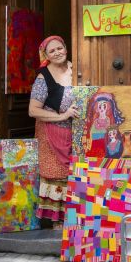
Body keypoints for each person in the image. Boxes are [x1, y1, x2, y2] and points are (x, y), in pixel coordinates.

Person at [28, 35, 78, 223]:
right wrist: (62, 116)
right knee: (57, 173)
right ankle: (57, 221)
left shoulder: (78, 68)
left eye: (59, 48)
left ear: (66, 48)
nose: (57, 53)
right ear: (46, 55)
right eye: (52, 51)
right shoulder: (43, 77)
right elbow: (33, 110)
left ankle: (74, 218)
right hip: (50, 132)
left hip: (75, 131)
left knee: (75, 172)